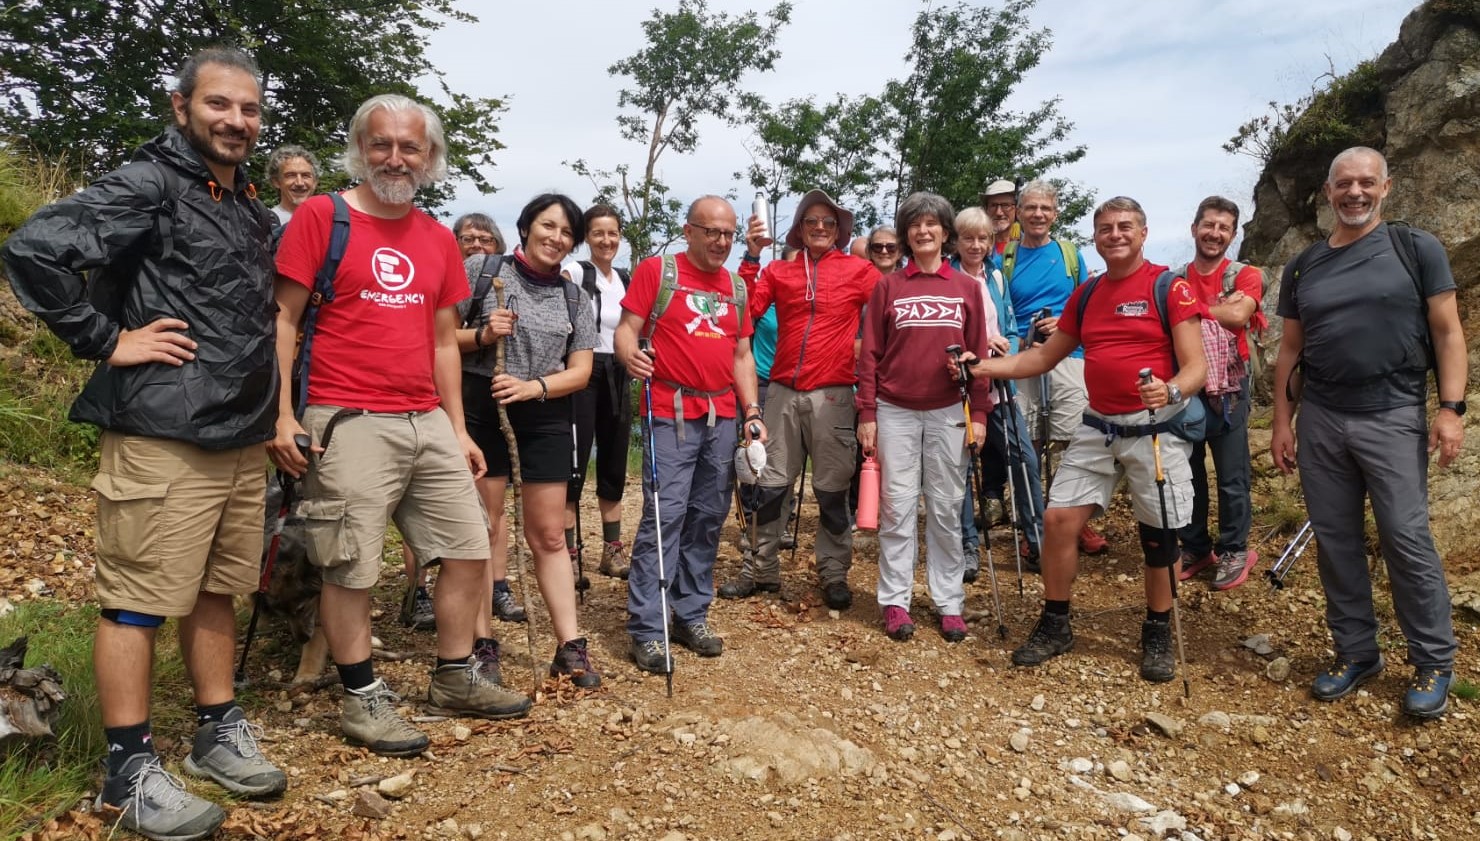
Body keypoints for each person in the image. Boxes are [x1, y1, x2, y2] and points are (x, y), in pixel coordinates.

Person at [2, 47, 285, 841]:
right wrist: (106, 338)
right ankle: (126, 770)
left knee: (214, 588)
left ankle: (217, 728)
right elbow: (33, 248)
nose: (236, 120)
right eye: (220, 104)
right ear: (181, 105)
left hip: (238, 434)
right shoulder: (151, 182)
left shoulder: (244, 203)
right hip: (161, 430)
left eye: (249, 109)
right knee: (134, 600)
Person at [271, 93, 532, 758]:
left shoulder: (437, 236)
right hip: (346, 413)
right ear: (360, 148)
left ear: (429, 157)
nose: (395, 156)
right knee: (352, 562)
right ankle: (361, 696)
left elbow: (445, 340)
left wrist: (460, 428)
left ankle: (453, 674)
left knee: (470, 544)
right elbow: (284, 320)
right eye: (381, 143)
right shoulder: (320, 217)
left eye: (409, 146)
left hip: (425, 417)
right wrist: (278, 412)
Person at [963, 196, 1207, 683]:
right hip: (1099, 424)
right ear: (1094, 237)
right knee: (1057, 520)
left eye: (1125, 227)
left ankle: (1157, 630)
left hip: (1155, 426)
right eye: (1105, 229)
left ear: (1143, 232)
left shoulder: (1168, 287)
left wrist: (1171, 389)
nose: (1115, 235)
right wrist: (981, 366)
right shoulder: (1090, 294)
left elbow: (1196, 364)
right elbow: (1041, 358)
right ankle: (1056, 623)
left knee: (1158, 537)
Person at [1271, 146, 1466, 718]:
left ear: (1385, 188)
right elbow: (1290, 349)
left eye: (1366, 183)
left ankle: (1433, 660)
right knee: (1335, 541)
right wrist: (1284, 421)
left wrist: (1451, 409)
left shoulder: (1416, 248)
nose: (1354, 193)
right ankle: (1356, 652)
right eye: (1343, 184)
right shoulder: (1304, 264)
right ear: (1328, 193)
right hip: (1323, 417)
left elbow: (1448, 333)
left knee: (1405, 538)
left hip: (1394, 411)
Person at [614, 195, 767, 673]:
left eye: (729, 233)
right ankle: (647, 624)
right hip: (669, 410)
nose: (721, 241)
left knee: (707, 516)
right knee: (665, 516)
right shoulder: (659, 273)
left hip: (721, 414)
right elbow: (627, 328)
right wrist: (628, 356)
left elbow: (742, 356)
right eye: (712, 232)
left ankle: (690, 612)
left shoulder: (736, 287)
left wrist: (752, 412)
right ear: (689, 231)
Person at [462, 193, 601, 688]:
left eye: (566, 232)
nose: (556, 238)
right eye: (548, 226)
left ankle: (570, 645)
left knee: (547, 535)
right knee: (484, 529)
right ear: (525, 227)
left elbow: (581, 371)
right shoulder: (484, 270)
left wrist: (533, 388)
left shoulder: (574, 297)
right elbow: (436, 336)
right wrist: (481, 335)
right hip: (482, 406)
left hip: (544, 413)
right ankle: (480, 644)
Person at [721, 190, 879, 609]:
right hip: (783, 392)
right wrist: (752, 257)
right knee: (767, 484)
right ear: (800, 229)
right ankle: (760, 569)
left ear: (841, 230)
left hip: (834, 394)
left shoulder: (859, 271)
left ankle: (833, 573)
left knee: (831, 489)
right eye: (812, 222)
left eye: (829, 222)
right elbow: (744, 311)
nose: (821, 228)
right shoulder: (778, 272)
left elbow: (890, 311)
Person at [856, 191, 995, 643]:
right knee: (897, 508)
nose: (923, 231)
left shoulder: (968, 288)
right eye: (914, 225)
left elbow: (979, 361)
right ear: (906, 234)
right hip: (895, 410)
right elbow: (869, 356)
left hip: (950, 411)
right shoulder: (888, 287)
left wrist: (980, 415)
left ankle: (948, 601)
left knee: (945, 507)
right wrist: (868, 412)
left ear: (945, 232)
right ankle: (895, 600)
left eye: (932, 224)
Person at [404, 209, 520, 628]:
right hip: (451, 393)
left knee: (493, 506)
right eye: (467, 238)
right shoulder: (444, 279)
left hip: (494, 396)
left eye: (484, 239)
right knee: (423, 500)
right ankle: (418, 591)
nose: (475, 246)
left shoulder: (497, 279)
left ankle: (498, 586)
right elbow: (438, 337)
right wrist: (485, 336)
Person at [1002, 180, 1107, 555]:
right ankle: (1032, 523)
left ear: (1055, 213)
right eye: (1030, 208)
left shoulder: (1068, 253)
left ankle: (1072, 521)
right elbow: (1002, 310)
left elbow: (1084, 303)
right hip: (1025, 356)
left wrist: (1063, 321)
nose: (1038, 215)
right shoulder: (1006, 259)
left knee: (1073, 441)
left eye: (1045, 208)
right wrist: (1021, 338)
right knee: (1026, 441)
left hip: (1069, 356)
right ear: (1019, 212)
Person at [1175, 196, 1265, 591]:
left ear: (1232, 234)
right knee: (1188, 470)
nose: (1214, 234)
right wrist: (1216, 307)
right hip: (1187, 384)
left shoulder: (1246, 274)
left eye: (1223, 228)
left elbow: (1239, 315)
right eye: (1208, 225)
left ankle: (1234, 548)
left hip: (1231, 385)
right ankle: (1196, 547)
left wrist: (1192, 309)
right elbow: (1224, 313)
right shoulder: (1174, 277)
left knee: (1232, 474)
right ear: (1194, 228)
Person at [951, 206, 1044, 579]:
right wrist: (974, 342)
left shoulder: (996, 275)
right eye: (968, 238)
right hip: (960, 383)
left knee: (1024, 459)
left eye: (983, 238)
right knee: (961, 467)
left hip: (999, 381)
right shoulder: (947, 276)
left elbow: (1006, 321)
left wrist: (1008, 343)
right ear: (955, 241)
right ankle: (966, 546)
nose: (976, 245)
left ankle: (1038, 541)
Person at [564, 205, 634, 581]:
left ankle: (612, 551)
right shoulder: (575, 271)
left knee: (614, 458)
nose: (606, 240)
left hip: (618, 370)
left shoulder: (624, 277)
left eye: (612, 233)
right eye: (598, 233)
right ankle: (570, 554)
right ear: (586, 237)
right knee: (574, 461)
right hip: (583, 369)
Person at [266, 144, 319, 223]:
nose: (299, 183)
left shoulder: (327, 221)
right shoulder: (266, 223)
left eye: (305, 175)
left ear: (315, 182)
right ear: (276, 182)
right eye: (291, 176)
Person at [981, 178, 1018, 257]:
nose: (999, 213)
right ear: (986, 209)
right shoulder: (977, 247)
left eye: (1005, 205)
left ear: (1017, 209)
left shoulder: (1030, 245)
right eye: (993, 206)